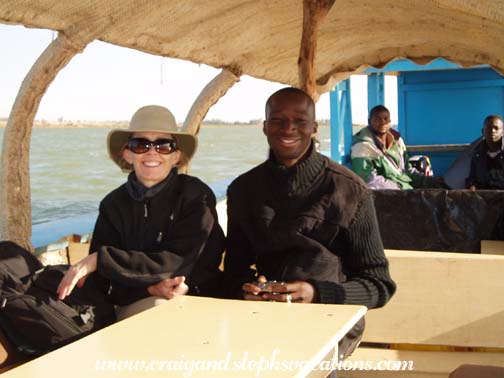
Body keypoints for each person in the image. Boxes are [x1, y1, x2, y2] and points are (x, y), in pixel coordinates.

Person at [223, 87, 396, 358]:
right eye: (278, 120)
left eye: (300, 121)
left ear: (314, 128)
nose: (288, 128)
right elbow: (233, 271)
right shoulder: (243, 190)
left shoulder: (351, 191)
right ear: (265, 127)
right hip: (265, 319)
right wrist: (246, 288)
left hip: (331, 318)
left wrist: (317, 293)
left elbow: (379, 284)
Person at [57, 105, 225, 318]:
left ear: (176, 156)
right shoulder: (112, 204)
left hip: (200, 298)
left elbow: (181, 262)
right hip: (137, 300)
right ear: (127, 154)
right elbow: (102, 283)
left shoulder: (196, 195)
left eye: (164, 145)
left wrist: (101, 260)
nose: (152, 152)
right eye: (140, 145)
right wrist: (148, 289)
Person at [351, 105, 443, 189]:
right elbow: (370, 180)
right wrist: (400, 189)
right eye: (377, 119)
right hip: (388, 197)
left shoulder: (398, 142)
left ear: (390, 122)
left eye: (385, 119)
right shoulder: (362, 147)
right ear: (369, 122)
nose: (382, 122)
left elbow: (407, 170)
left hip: (406, 190)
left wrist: (430, 181)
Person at [466, 115, 504, 190]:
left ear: (503, 132)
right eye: (489, 128)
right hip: (484, 197)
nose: (493, 131)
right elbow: (472, 178)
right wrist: (471, 186)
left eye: (496, 128)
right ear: (483, 131)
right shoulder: (477, 153)